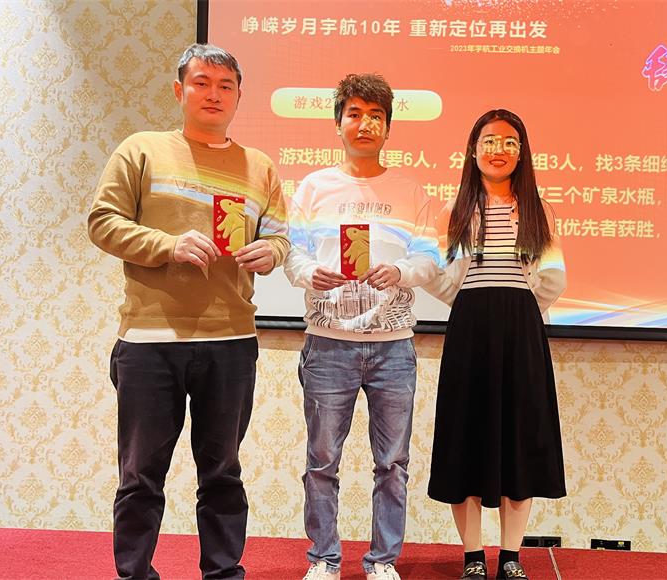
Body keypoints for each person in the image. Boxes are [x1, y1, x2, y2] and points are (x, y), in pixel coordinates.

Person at [88, 43, 289, 580]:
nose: (213, 94)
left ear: (239, 96)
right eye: (201, 83)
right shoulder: (141, 149)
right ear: (180, 90)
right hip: (149, 342)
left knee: (223, 473)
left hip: (231, 340)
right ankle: (134, 573)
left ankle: (223, 573)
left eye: (225, 86)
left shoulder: (259, 167)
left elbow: (279, 237)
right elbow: (102, 222)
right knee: (140, 475)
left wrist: (271, 253)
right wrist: (168, 245)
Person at [284, 73, 440, 580]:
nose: (365, 124)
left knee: (392, 462)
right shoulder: (313, 187)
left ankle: (382, 561)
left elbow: (430, 260)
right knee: (321, 460)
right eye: (355, 114)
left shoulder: (411, 191)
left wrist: (401, 272)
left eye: (376, 116)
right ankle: (324, 559)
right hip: (328, 344)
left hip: (393, 347)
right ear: (338, 124)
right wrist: (310, 273)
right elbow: (293, 254)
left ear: (388, 128)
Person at [424, 109, 567, 580]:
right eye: (489, 141)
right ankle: (472, 557)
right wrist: (472, 302)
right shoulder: (453, 210)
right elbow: (441, 278)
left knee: (518, 442)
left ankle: (510, 556)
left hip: (521, 333)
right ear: (472, 150)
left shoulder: (539, 210)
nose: (498, 150)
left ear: (521, 153)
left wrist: (520, 306)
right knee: (466, 438)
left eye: (509, 142)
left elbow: (552, 279)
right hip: (470, 332)